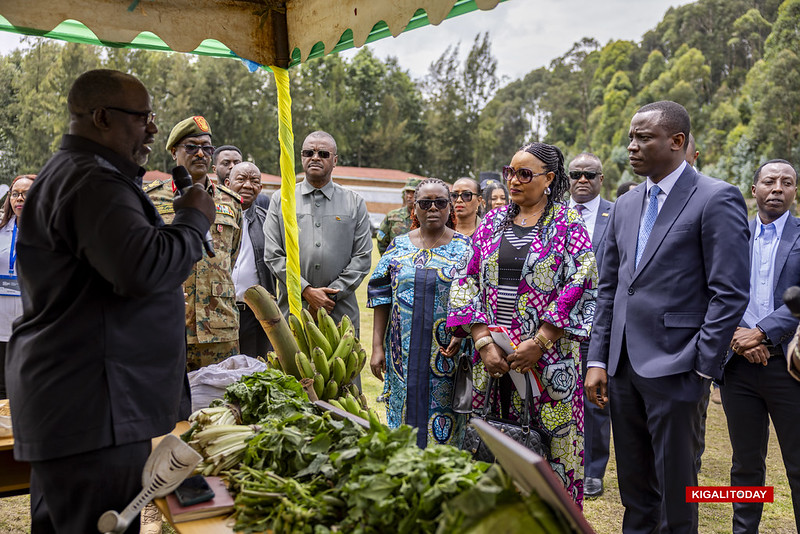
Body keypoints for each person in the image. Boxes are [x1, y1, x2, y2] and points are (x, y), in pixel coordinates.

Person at [6, 69, 215, 533]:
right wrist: (193, 221)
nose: (153, 130)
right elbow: (143, 268)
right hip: (94, 405)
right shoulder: (92, 182)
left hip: (83, 400)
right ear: (101, 117)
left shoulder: (81, 174)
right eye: (143, 118)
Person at [585, 101, 750, 533]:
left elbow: (730, 293)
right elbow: (610, 289)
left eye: (644, 138)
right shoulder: (625, 204)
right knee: (635, 492)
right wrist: (599, 359)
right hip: (622, 369)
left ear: (677, 141)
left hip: (679, 369)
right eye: (631, 138)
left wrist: (701, 366)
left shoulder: (716, 197)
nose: (631, 147)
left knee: (676, 495)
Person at [447, 142, 597, 507]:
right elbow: (465, 280)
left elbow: (581, 282)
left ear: (549, 179)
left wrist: (541, 341)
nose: (513, 180)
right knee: (489, 451)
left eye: (524, 174)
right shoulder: (491, 223)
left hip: (547, 367)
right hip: (493, 363)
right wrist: (483, 341)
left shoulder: (568, 223)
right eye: (509, 172)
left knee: (550, 456)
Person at [721, 159, 800, 533]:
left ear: (795, 191)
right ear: (754, 190)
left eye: (787, 182)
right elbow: (713, 288)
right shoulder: (732, 236)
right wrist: (737, 335)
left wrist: (763, 332)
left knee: (797, 462)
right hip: (738, 367)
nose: (778, 188)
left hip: (790, 366)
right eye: (770, 181)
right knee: (746, 463)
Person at [368, 178, 470, 448]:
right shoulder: (398, 246)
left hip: (447, 354)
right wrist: (377, 346)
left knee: (446, 424)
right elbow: (381, 296)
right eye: (425, 203)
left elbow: (475, 297)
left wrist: (462, 331)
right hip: (402, 353)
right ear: (414, 208)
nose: (432, 208)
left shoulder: (466, 248)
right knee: (403, 418)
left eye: (440, 202)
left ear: (450, 208)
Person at [145, 116, 243, 371]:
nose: (200, 153)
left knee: (220, 395)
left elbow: (231, 256)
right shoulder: (151, 199)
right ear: (174, 151)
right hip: (166, 325)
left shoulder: (231, 202)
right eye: (191, 147)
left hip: (219, 328)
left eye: (207, 148)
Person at [264, 130, 372, 340]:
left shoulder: (354, 202)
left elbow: (362, 257)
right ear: (301, 157)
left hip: (339, 312)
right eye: (308, 152)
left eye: (323, 153)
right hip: (294, 311)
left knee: (341, 362)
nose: (315, 157)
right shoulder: (282, 199)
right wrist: (306, 291)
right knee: (293, 361)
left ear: (335, 160)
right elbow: (273, 254)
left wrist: (330, 296)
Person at [567, 152, 613, 499]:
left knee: (596, 397)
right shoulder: (555, 214)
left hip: (599, 323)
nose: (582, 180)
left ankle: (593, 470)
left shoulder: (618, 214)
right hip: (558, 323)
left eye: (589, 174)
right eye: (576, 174)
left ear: (601, 179)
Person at [226, 161, 275, 357]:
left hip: (254, 315)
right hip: (218, 312)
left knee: (252, 368)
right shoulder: (211, 216)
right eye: (241, 179)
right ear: (227, 183)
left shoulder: (269, 223)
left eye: (254, 181)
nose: (247, 185)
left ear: (260, 188)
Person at [0, 174, 34, 399]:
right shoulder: (1, 230)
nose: (19, 198)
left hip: (30, 319)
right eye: (15, 194)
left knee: (26, 385)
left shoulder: (51, 232)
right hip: (1, 318)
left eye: (26, 194)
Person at [376, 177, 419, 254]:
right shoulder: (392, 216)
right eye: (407, 192)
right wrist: (387, 258)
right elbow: (381, 240)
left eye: (413, 192)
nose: (409, 196)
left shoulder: (427, 218)